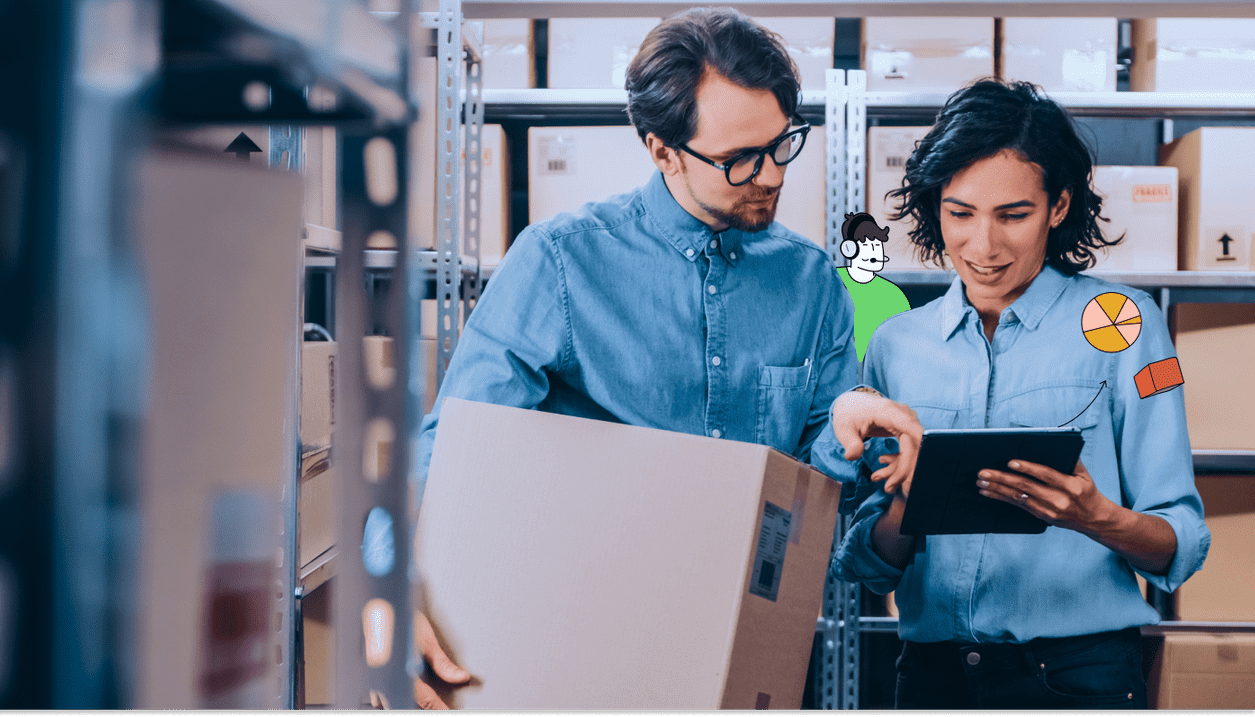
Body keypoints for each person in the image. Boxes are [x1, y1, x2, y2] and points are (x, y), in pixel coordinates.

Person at [409, 7, 923, 709]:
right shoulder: (561, 263)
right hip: (584, 650)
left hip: (752, 651)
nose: (771, 174)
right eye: (740, 158)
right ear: (662, 150)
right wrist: (395, 589)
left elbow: (814, 497)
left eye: (782, 144)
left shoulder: (811, 283)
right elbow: (452, 450)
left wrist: (844, 427)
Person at [814, 80, 1211, 710]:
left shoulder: (1128, 323)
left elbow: (1183, 540)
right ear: (933, 206)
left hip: (1080, 678)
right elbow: (867, 565)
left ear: (1057, 206)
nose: (984, 246)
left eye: (1013, 215)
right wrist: (904, 511)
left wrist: (1096, 518)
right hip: (930, 679)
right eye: (960, 213)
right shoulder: (895, 344)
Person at [837, 211, 911, 361]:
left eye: (877, 245)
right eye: (867, 245)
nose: (875, 252)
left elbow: (904, 344)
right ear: (849, 249)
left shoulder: (893, 294)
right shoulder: (833, 282)